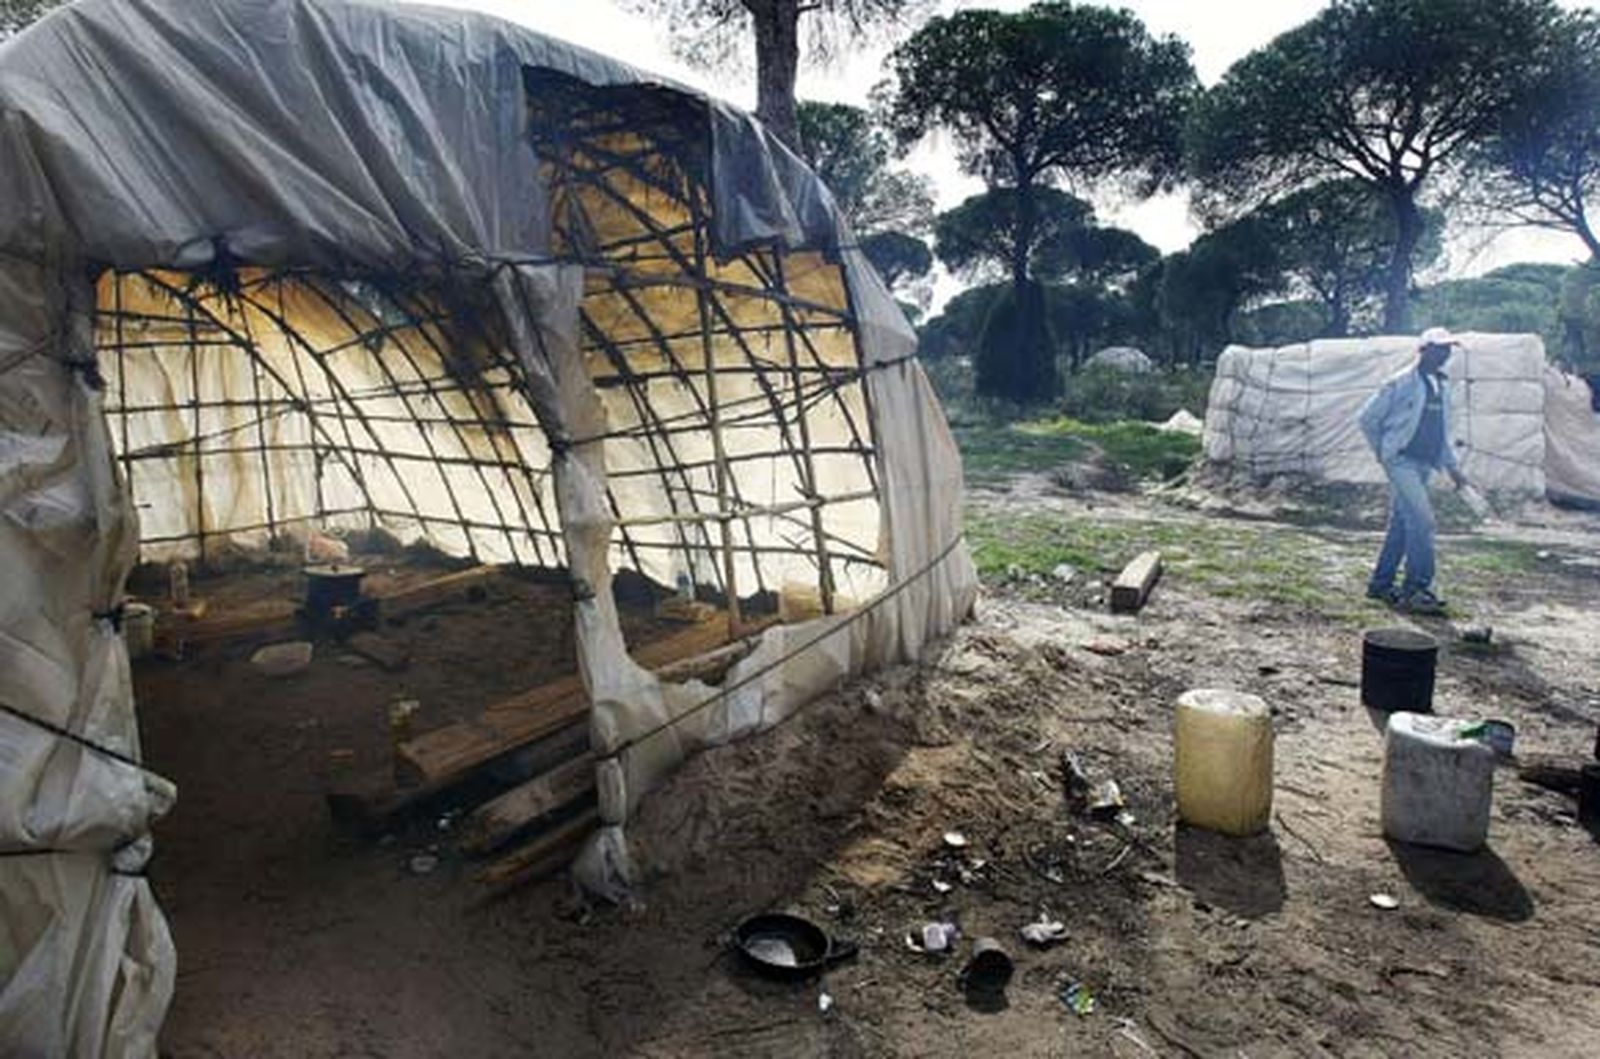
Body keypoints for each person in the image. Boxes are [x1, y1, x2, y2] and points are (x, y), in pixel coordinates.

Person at [1358, 327, 1471, 615]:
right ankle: (1418, 588)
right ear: (1423, 350)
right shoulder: (1400, 383)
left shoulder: (1442, 386)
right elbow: (1367, 418)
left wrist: (1453, 469)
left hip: (1424, 463)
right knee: (1423, 521)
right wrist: (1385, 453)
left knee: (1402, 523)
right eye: (1439, 349)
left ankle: (1380, 584)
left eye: (1448, 349)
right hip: (1402, 461)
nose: (1445, 354)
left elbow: (1442, 434)